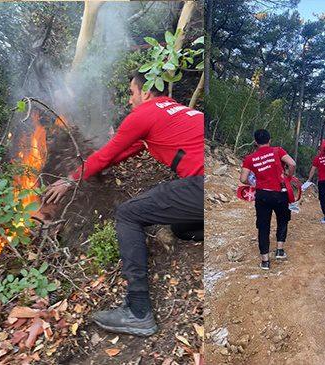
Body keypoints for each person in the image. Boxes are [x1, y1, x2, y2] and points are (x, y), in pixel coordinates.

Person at [43, 71, 204, 337]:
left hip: (200, 184)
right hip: (204, 189)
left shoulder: (143, 114)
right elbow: (121, 153)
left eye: (132, 93)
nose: (130, 101)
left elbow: (107, 152)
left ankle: (138, 311)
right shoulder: (177, 110)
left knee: (128, 214)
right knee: (180, 227)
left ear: (146, 92)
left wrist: (69, 180)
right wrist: (94, 169)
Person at [240, 129, 296, 270]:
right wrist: (288, 176)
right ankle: (279, 250)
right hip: (280, 193)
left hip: (262, 195)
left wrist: (253, 184)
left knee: (263, 226)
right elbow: (292, 164)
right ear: (269, 140)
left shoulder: (249, 158)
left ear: (255, 142)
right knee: (282, 220)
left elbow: (243, 179)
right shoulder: (277, 151)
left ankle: (265, 261)